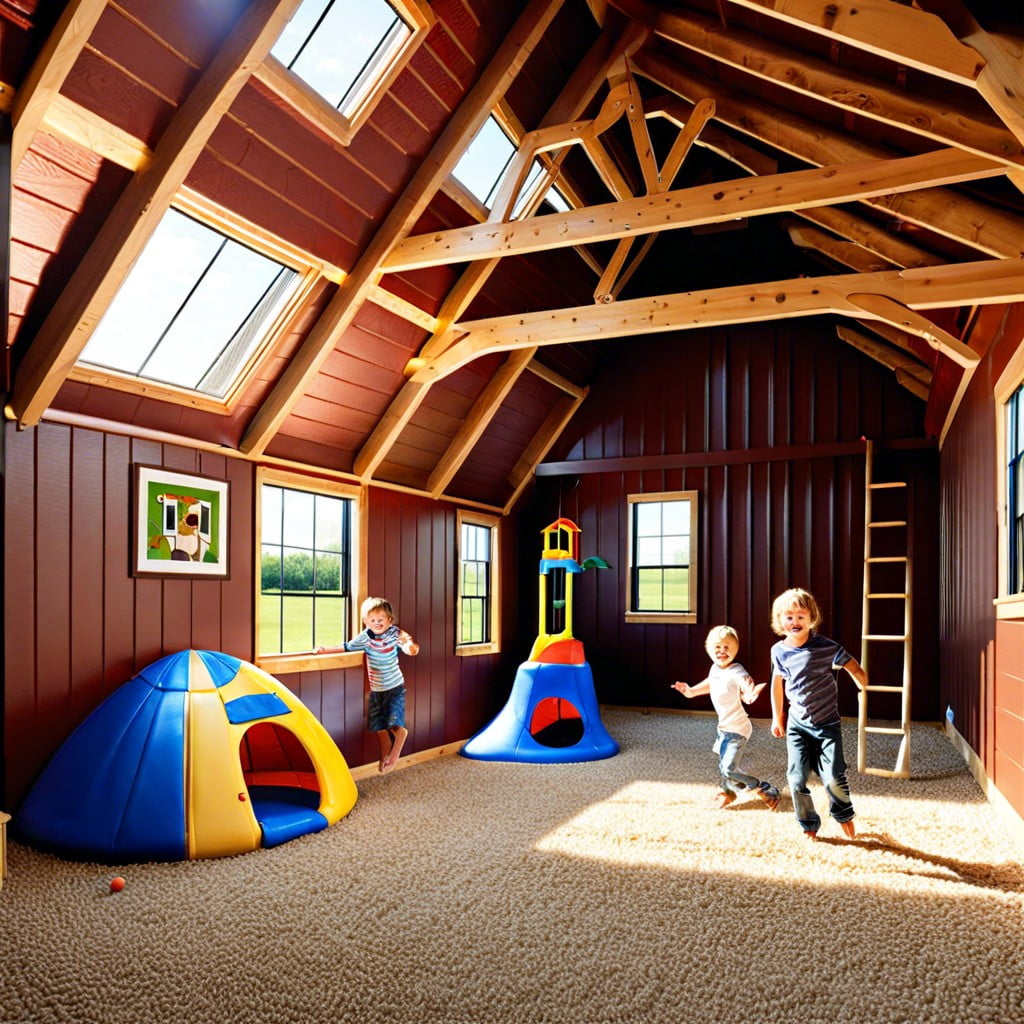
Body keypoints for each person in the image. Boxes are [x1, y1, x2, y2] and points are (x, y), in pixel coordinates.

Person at [769, 587, 867, 840]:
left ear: (811, 618)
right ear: (780, 621)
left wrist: (862, 681)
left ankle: (844, 814)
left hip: (827, 725)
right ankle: (809, 824)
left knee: (833, 776)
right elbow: (776, 686)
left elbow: (852, 666)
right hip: (797, 725)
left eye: (801, 616)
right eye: (788, 617)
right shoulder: (779, 651)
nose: (795, 622)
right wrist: (776, 716)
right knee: (796, 779)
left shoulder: (826, 647)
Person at [672, 624, 781, 811]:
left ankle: (762, 789)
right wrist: (688, 691)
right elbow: (704, 688)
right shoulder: (715, 670)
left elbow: (745, 681)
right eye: (717, 647)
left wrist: (749, 689)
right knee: (724, 766)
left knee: (729, 768)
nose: (722, 651)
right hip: (723, 728)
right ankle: (728, 793)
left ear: (735, 650)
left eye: (727, 647)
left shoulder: (736, 670)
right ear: (709, 650)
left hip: (738, 728)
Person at [317, 596, 419, 773]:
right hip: (377, 688)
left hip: (394, 685)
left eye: (381, 620)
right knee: (377, 725)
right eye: (373, 620)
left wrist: (410, 647)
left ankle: (397, 745)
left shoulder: (395, 633)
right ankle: (385, 755)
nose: (377, 623)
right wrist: (324, 650)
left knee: (391, 723)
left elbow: (411, 647)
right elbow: (347, 646)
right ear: (366, 621)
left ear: (389, 620)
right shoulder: (365, 638)